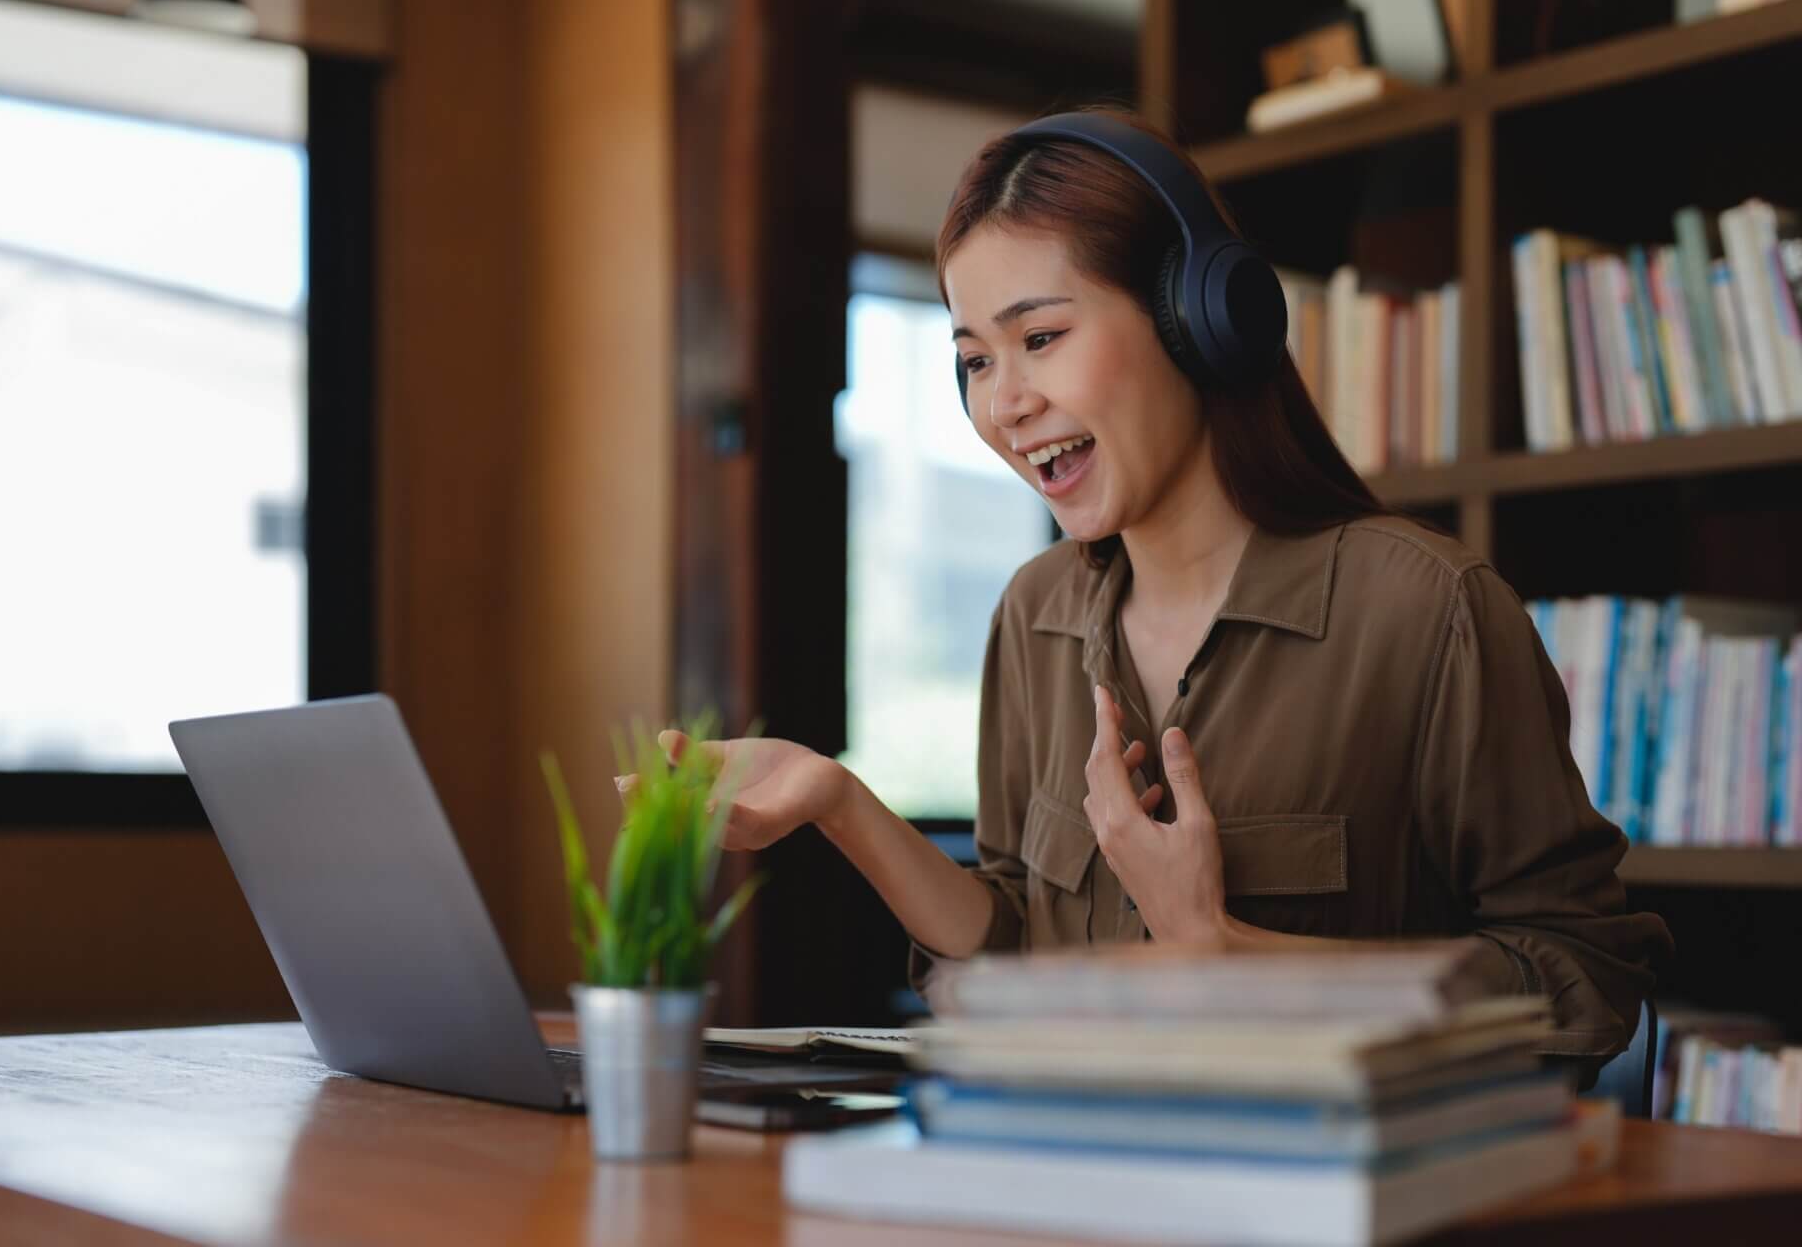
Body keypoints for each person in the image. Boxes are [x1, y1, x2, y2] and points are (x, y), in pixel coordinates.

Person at [625, 107, 1671, 1079]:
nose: (1007, 403)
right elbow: (1012, 944)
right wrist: (837, 802)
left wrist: (1223, 946)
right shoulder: (1033, 614)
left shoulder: (1426, 610)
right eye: (974, 360)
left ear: (1196, 317)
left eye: (1041, 339)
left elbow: (1582, 974)